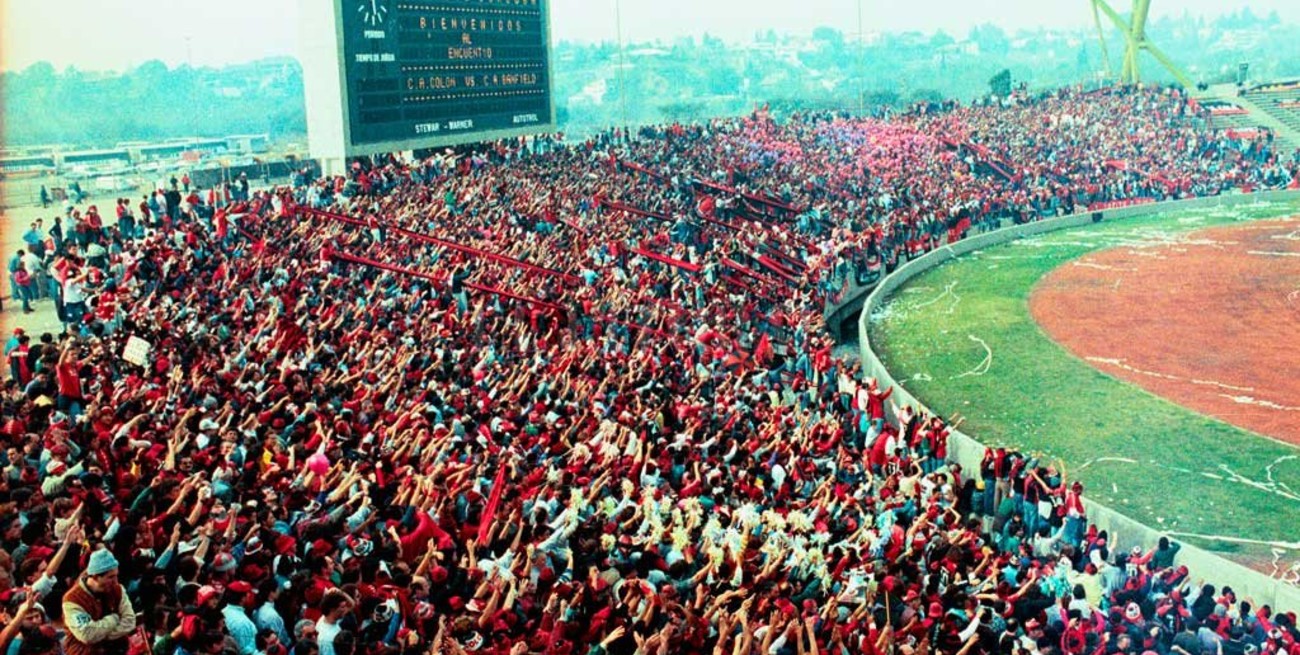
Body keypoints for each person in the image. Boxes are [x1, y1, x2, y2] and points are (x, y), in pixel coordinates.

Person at [62, 549, 137, 655]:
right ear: (95, 576)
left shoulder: (117, 589)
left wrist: (100, 634)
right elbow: (87, 635)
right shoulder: (72, 599)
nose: (115, 581)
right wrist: (113, 619)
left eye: (116, 575)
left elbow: (130, 621)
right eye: (110, 577)